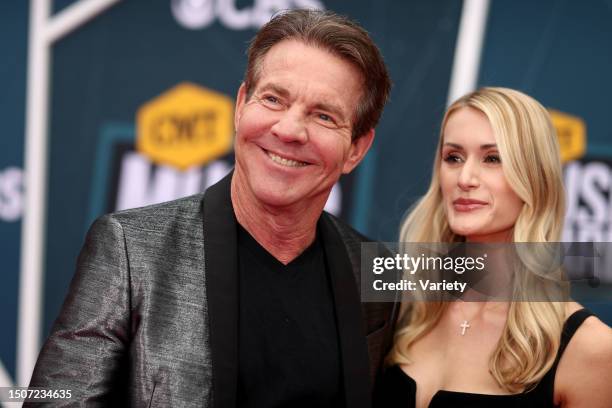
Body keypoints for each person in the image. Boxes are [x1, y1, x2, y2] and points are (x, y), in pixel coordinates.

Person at [27, 10, 396, 407]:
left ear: (356, 148)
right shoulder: (129, 249)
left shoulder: (375, 271)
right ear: (241, 105)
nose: (289, 130)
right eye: (273, 99)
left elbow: (467, 288)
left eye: (323, 115)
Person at [374, 87, 612, 407]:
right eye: (453, 157)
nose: (465, 178)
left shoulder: (589, 348)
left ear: (533, 176)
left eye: (493, 158)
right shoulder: (402, 309)